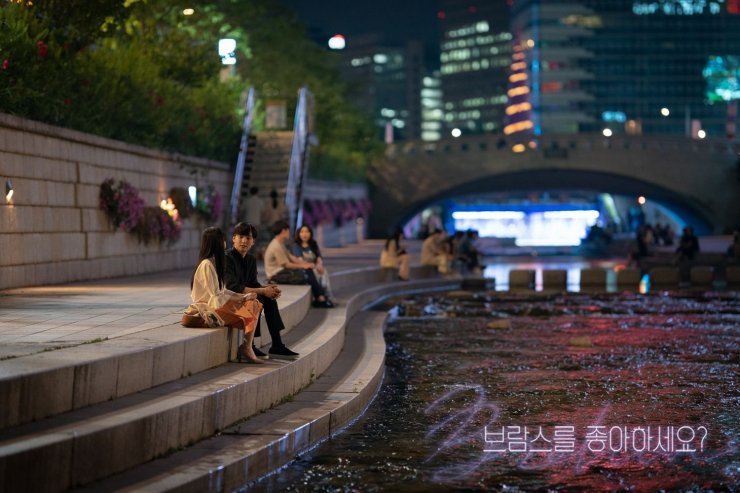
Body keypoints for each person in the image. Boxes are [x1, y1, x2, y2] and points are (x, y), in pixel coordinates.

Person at [182, 227, 263, 364]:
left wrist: (243, 297)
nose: (225, 243)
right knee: (249, 315)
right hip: (209, 308)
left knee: (255, 303)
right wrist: (240, 299)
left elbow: (223, 291)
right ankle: (247, 348)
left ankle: (247, 347)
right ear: (217, 243)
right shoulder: (207, 264)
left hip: (218, 305)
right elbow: (215, 298)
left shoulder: (213, 263)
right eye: (223, 240)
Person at [225, 222, 300, 360]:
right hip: (230, 299)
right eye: (241, 237)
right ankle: (250, 345)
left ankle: (277, 344)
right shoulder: (227, 258)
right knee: (258, 299)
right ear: (233, 238)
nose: (244, 241)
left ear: (253, 241)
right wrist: (262, 291)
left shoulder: (251, 259)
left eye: (248, 238)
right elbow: (232, 287)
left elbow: (253, 283)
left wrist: (267, 290)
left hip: (245, 297)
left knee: (268, 298)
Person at [264, 220, 333, 308]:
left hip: (283, 272)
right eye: (288, 230)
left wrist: (307, 264)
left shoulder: (280, 243)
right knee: (306, 272)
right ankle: (320, 297)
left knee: (308, 270)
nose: (289, 232)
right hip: (275, 274)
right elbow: (287, 265)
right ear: (283, 231)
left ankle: (320, 297)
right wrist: (304, 266)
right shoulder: (276, 246)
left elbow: (292, 258)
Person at [293, 224, 333, 300]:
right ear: (299, 234)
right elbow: (300, 261)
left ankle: (327, 295)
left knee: (323, 272)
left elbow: (319, 257)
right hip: (305, 268)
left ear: (310, 233)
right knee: (314, 272)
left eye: (307, 232)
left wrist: (319, 264)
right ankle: (320, 295)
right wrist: (315, 266)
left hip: (315, 266)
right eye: (302, 232)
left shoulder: (313, 244)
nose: (304, 234)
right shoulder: (296, 246)